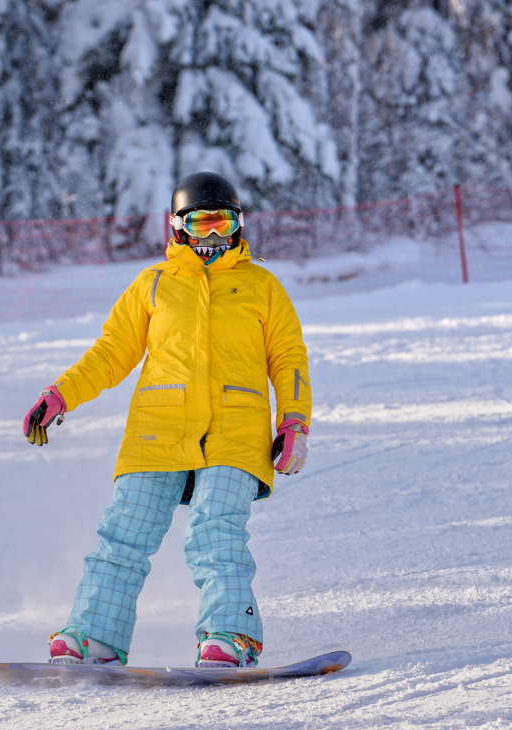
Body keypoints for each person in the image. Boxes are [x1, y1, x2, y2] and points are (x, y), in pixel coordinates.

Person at [22, 171, 312, 668]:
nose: (215, 237)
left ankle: (230, 633)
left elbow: (289, 359)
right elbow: (111, 353)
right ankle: (95, 637)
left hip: (235, 431)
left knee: (214, 529)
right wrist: (61, 394)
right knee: (123, 534)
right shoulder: (152, 286)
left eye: (225, 224)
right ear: (177, 225)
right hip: (156, 430)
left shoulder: (262, 286)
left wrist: (294, 423)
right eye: (202, 225)